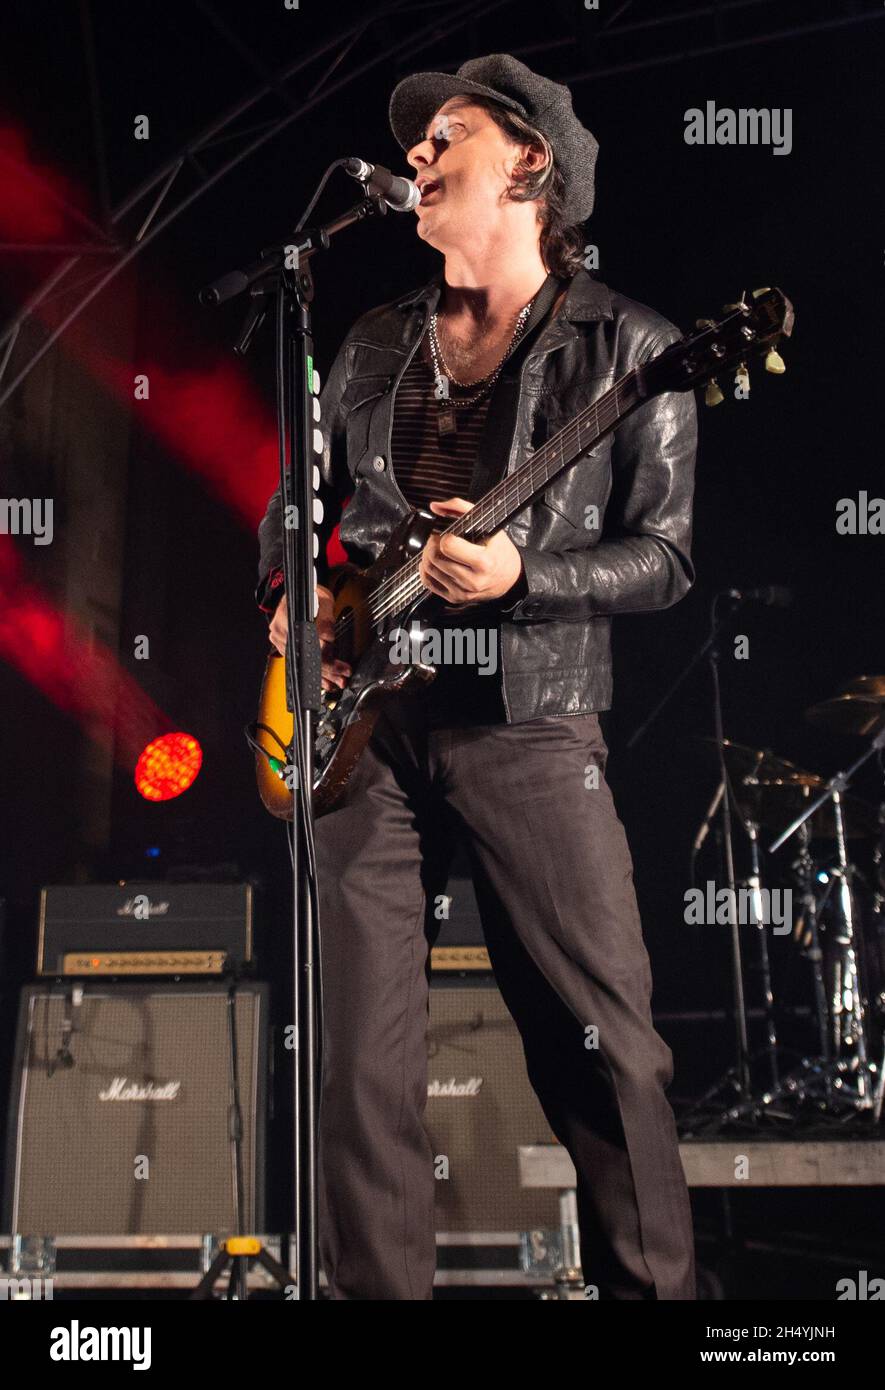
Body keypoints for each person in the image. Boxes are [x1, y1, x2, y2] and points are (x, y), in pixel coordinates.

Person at [257, 53, 697, 1300]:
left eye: (449, 133)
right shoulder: (370, 339)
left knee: (605, 1050)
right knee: (364, 1066)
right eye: (415, 141)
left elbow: (664, 559)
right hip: (366, 734)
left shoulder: (638, 347)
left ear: (531, 164)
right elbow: (303, 500)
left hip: (534, 724)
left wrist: (524, 577)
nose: (418, 155)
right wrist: (292, 590)